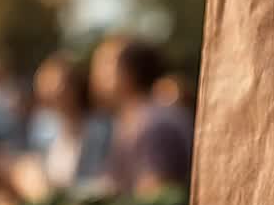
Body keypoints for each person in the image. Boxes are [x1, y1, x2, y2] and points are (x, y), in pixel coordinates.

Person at [102, 40, 194, 194]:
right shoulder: (132, 119)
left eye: (106, 64)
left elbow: (155, 196)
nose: (97, 73)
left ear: (129, 73)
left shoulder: (154, 124)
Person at [30, 54, 111, 189]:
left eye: (56, 84)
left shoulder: (99, 128)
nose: (50, 92)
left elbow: (99, 181)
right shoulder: (44, 127)